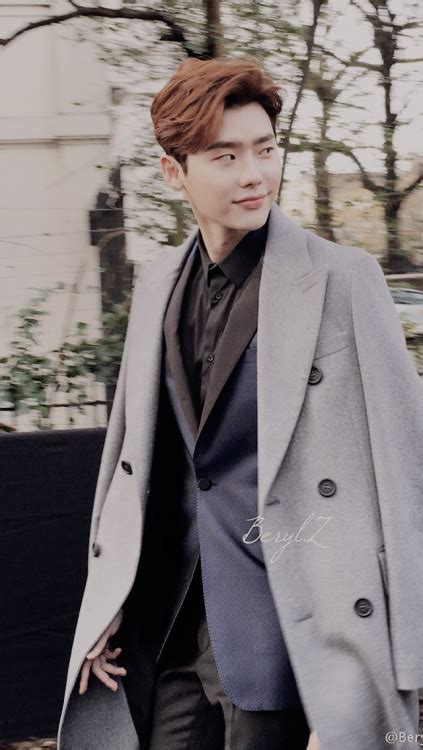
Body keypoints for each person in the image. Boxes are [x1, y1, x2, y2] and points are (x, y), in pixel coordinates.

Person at [57, 57, 423, 750]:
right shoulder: (157, 285)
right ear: (174, 172)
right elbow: (132, 462)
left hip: (294, 634)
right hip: (169, 623)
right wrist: (107, 602)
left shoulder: (343, 280)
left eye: (265, 149)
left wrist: (390, 672)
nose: (255, 174)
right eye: (225, 156)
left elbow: (407, 472)